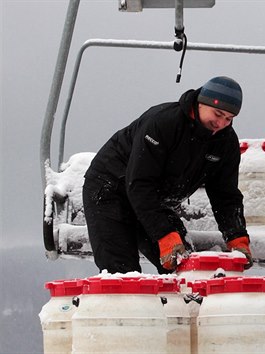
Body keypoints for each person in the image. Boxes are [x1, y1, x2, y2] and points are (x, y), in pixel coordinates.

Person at [83, 76, 253, 274]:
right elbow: (140, 183)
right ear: (200, 103)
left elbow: (226, 194)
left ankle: (182, 305)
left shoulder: (225, 143)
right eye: (217, 114)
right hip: (110, 189)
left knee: (185, 267)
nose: (221, 123)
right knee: (122, 274)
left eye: (229, 118)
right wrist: (164, 234)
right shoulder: (162, 123)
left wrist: (237, 237)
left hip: (153, 201)